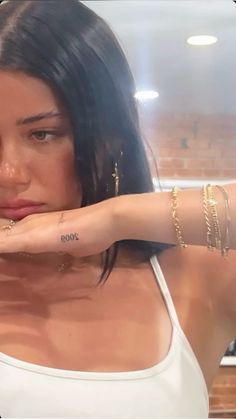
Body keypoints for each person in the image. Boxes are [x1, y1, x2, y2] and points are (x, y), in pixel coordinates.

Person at [0, 1, 235, 417]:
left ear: (110, 136)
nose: (10, 173)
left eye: (43, 134)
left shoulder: (196, 277)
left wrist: (116, 216)